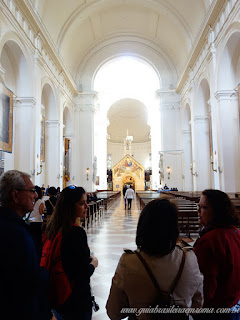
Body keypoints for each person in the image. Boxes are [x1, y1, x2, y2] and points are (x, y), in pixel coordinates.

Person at [106, 198, 203, 319]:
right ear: (174, 228)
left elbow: (114, 312)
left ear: (143, 226)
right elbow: (197, 305)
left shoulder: (129, 261)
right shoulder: (189, 258)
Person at [41, 185, 98, 320]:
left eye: (86, 202)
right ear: (70, 207)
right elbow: (81, 273)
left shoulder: (53, 228)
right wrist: (93, 263)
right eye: (81, 203)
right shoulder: (75, 233)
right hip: (75, 299)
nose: (87, 206)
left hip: (58, 296)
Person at [0, 170, 50, 320]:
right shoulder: (15, 232)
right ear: (15, 195)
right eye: (31, 191)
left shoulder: (11, 224)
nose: (35, 195)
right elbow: (28, 281)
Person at [193, 189, 240, 319]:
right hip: (234, 304)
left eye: (203, 207)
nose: (198, 211)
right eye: (198, 206)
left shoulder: (209, 241)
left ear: (216, 211)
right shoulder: (235, 233)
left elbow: (205, 283)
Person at [28, 185, 45, 260]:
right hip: (37, 222)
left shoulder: (30, 200)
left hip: (30, 221)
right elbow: (41, 212)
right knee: (38, 241)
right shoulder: (40, 202)